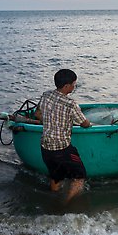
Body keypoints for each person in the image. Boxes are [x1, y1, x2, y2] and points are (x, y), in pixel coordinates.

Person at [35, 69, 91, 203]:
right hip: (62, 149)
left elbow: (37, 114)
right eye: (73, 84)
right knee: (80, 176)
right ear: (66, 86)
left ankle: (54, 199)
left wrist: (50, 120)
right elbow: (84, 123)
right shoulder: (71, 104)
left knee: (56, 177)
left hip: (45, 148)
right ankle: (66, 203)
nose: (74, 86)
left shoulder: (46, 95)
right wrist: (89, 123)